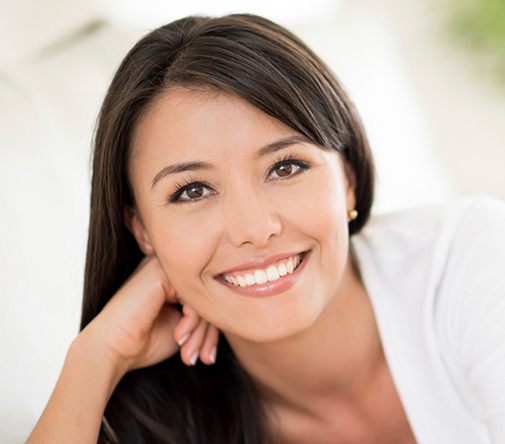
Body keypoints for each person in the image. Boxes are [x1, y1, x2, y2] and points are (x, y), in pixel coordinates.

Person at [27, 13, 505, 444]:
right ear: (143, 232)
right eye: (193, 191)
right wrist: (94, 358)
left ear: (349, 181)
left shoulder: (471, 260)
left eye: (285, 167)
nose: (255, 229)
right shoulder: (164, 419)